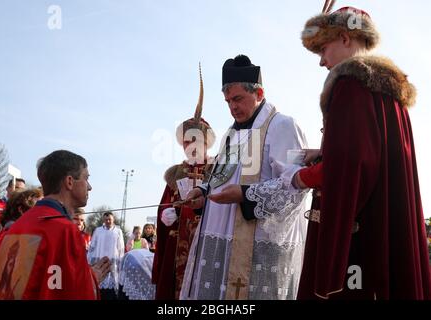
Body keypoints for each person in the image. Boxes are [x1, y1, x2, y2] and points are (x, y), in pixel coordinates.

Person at [295, 2, 431, 299]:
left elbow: (353, 163)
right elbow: (373, 152)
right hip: (387, 224)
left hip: (360, 237)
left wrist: (302, 177)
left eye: (323, 49)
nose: (321, 62)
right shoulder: (391, 94)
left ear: (345, 38)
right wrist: (325, 150)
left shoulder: (349, 85)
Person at [180, 55, 309, 300]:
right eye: (227, 101)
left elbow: (295, 186)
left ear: (258, 92)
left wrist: (246, 195)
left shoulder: (282, 126)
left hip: (257, 251)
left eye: (237, 99)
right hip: (219, 245)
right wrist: (204, 193)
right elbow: (223, 177)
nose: (232, 107)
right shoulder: (231, 133)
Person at [0, 150, 110, 299]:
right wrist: (91, 279)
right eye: (86, 178)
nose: (89, 187)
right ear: (69, 182)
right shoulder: (65, 230)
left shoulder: (17, 224)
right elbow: (70, 292)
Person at [152, 65, 215, 300]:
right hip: (177, 240)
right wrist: (166, 214)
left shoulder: (217, 169)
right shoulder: (176, 173)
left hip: (206, 239)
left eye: (196, 139)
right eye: (187, 141)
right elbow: (165, 204)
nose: (191, 145)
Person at [88, 211, 125, 300]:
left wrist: (121, 261)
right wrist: (90, 259)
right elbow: (93, 245)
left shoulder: (118, 231)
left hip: (113, 262)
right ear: (103, 220)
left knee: (111, 291)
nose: (108, 221)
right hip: (99, 260)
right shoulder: (98, 230)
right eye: (106, 219)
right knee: (100, 286)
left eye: (109, 219)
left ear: (113, 219)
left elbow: (121, 248)